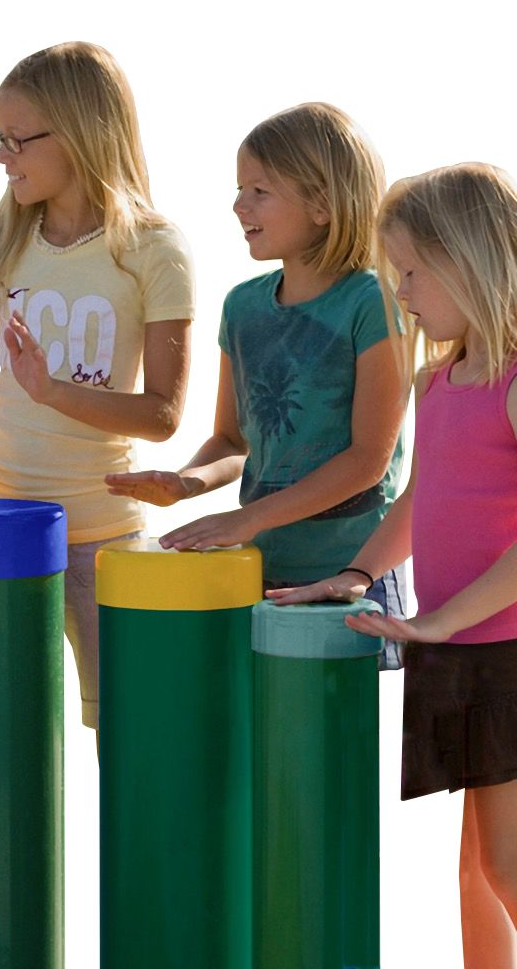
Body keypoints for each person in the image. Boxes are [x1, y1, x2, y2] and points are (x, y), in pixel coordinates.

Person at [0, 41, 195, 730]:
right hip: (6, 536)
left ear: (83, 133)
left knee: (128, 741)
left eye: (18, 139)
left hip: (106, 539)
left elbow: (163, 415)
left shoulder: (155, 248)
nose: (3, 156)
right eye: (0, 137)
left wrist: (53, 391)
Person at [272, 163, 517, 967]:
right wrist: (356, 573)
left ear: (472, 259)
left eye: (412, 270)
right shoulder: (437, 381)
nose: (401, 290)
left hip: (503, 652)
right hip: (457, 653)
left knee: (509, 866)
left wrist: (442, 618)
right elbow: (420, 500)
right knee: (479, 867)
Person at [106, 102, 407, 665]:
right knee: (267, 741)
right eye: (239, 189)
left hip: (355, 569)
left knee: (336, 744)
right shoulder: (242, 307)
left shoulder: (374, 302)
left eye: (259, 190)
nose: (238, 204)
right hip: (259, 570)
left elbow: (369, 459)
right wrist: (186, 483)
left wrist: (245, 519)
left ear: (322, 203)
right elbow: (231, 442)